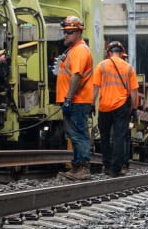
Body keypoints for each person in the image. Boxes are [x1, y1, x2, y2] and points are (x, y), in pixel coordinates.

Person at [55, 15, 94, 180]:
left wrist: (69, 98)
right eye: (65, 32)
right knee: (74, 133)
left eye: (70, 32)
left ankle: (83, 168)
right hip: (75, 100)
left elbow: (76, 76)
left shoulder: (79, 50)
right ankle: (77, 166)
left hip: (77, 100)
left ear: (79, 33)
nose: (66, 35)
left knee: (78, 133)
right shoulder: (74, 50)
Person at [92, 41, 139, 177]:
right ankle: (116, 168)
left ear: (109, 52)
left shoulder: (101, 66)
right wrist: (134, 108)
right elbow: (134, 92)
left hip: (104, 107)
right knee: (119, 137)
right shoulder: (129, 68)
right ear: (122, 53)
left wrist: (91, 105)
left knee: (105, 137)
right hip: (121, 106)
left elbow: (95, 87)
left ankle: (106, 165)